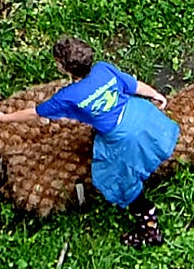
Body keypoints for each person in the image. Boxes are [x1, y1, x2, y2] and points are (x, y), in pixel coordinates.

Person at [36, 37, 181, 246]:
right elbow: (133, 85)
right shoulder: (103, 69)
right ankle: (149, 168)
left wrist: (2, 118)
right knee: (148, 146)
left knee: (121, 178)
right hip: (141, 115)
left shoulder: (68, 96)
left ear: (62, 67)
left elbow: (35, 112)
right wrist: (156, 94)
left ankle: (149, 227)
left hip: (123, 137)